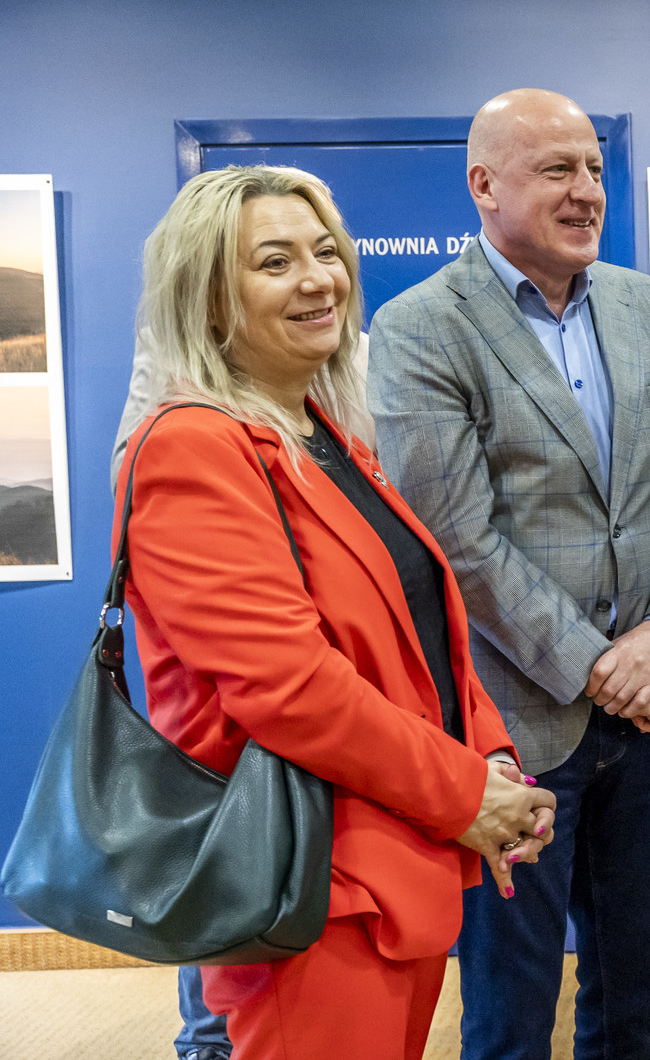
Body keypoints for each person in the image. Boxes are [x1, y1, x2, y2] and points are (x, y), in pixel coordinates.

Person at [114, 164, 554, 1060]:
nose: (318, 279)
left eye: (325, 252)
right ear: (208, 299)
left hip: (391, 865)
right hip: (310, 884)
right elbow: (289, 689)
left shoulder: (322, 435)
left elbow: (418, 634)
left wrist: (493, 760)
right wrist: (465, 794)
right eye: (275, 263)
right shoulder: (190, 448)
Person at [366, 89, 650, 1060]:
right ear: (484, 185)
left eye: (594, 168)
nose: (586, 191)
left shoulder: (643, 305)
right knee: (513, 1011)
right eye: (557, 169)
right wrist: (599, 663)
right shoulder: (421, 327)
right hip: (514, 726)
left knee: (637, 994)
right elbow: (457, 538)